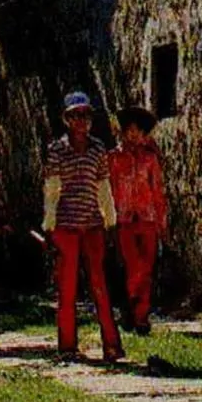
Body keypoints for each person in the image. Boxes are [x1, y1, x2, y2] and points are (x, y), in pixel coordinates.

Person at [42, 91, 124, 362]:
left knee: (100, 285)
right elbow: (52, 189)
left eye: (86, 115)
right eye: (76, 115)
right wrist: (49, 224)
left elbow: (103, 187)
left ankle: (111, 344)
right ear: (67, 119)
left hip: (92, 225)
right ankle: (67, 345)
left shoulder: (98, 149)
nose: (81, 121)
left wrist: (110, 220)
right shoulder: (57, 150)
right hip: (66, 225)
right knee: (67, 287)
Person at [109, 106, 168, 335]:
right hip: (124, 220)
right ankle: (132, 307)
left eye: (138, 131)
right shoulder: (114, 158)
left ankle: (140, 316)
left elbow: (157, 191)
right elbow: (109, 189)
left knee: (146, 268)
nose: (134, 135)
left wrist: (162, 222)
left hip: (147, 219)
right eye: (130, 130)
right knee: (133, 266)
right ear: (124, 132)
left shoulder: (150, 159)